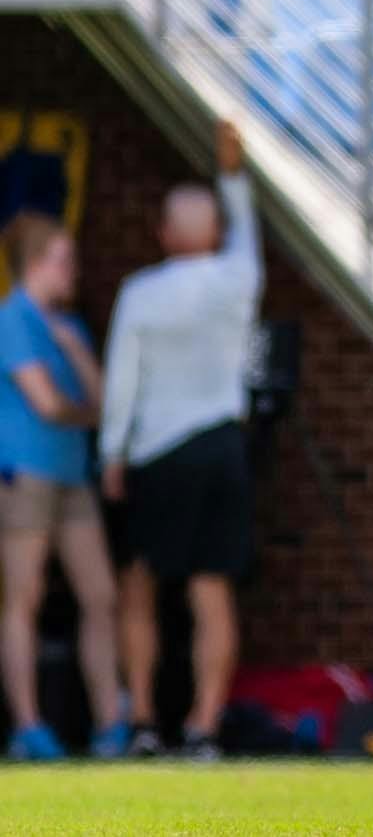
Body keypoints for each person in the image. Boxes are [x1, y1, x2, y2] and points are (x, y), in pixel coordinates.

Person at [99, 120, 262, 761]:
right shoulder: (238, 278)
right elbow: (245, 228)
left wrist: (111, 452)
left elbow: (121, 381)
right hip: (220, 446)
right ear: (213, 235)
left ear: (164, 236)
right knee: (211, 589)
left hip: (155, 453)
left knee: (139, 585)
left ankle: (141, 719)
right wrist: (231, 171)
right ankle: (203, 727)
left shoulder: (139, 292)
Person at [0, 215, 125, 762]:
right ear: (35, 264)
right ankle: (28, 726)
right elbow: (49, 405)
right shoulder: (11, 319)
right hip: (24, 473)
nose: (74, 270)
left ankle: (111, 722)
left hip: (73, 474)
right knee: (24, 596)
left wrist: (75, 353)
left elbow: (105, 401)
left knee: (101, 596)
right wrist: (85, 412)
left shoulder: (69, 325)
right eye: (64, 259)